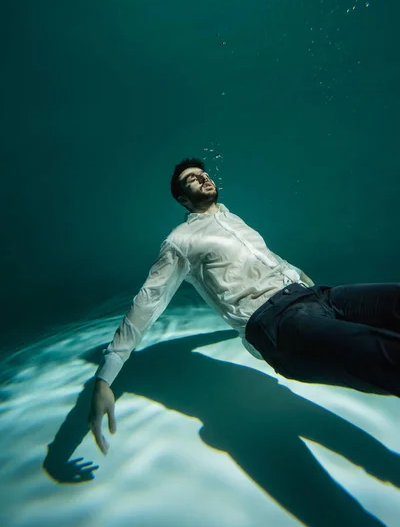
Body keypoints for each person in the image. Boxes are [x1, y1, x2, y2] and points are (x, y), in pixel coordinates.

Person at [89, 157, 400, 454]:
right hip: (277, 323)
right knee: (383, 354)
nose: (202, 177)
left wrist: (308, 283)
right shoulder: (180, 241)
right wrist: (105, 378)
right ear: (183, 200)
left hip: (316, 296)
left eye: (203, 173)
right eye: (191, 179)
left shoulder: (231, 217)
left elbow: (270, 259)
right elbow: (147, 302)